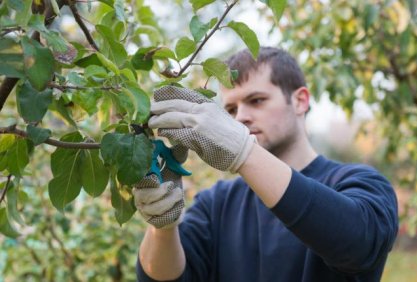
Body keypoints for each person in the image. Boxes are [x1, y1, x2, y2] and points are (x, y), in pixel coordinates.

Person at [133, 47, 398, 282]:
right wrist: (163, 227)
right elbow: (164, 277)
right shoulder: (216, 203)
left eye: (256, 100)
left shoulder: (360, 182)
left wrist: (244, 152)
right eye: (231, 110)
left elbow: (359, 245)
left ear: (300, 100)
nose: (243, 117)